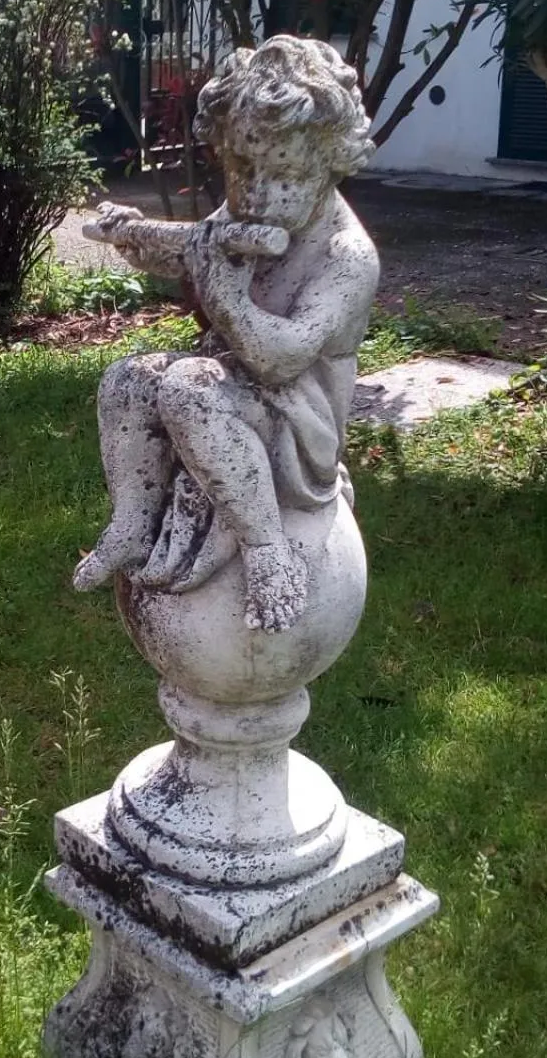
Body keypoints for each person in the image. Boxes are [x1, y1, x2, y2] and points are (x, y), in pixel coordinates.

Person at [74, 35, 379, 633]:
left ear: (330, 159)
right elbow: (194, 248)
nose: (258, 192)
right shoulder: (252, 211)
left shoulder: (347, 254)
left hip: (298, 418)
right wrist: (135, 235)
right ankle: (132, 522)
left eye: (284, 172)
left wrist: (225, 301)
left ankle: (267, 548)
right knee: (128, 380)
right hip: (236, 377)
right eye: (241, 168)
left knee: (188, 387)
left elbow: (281, 358)